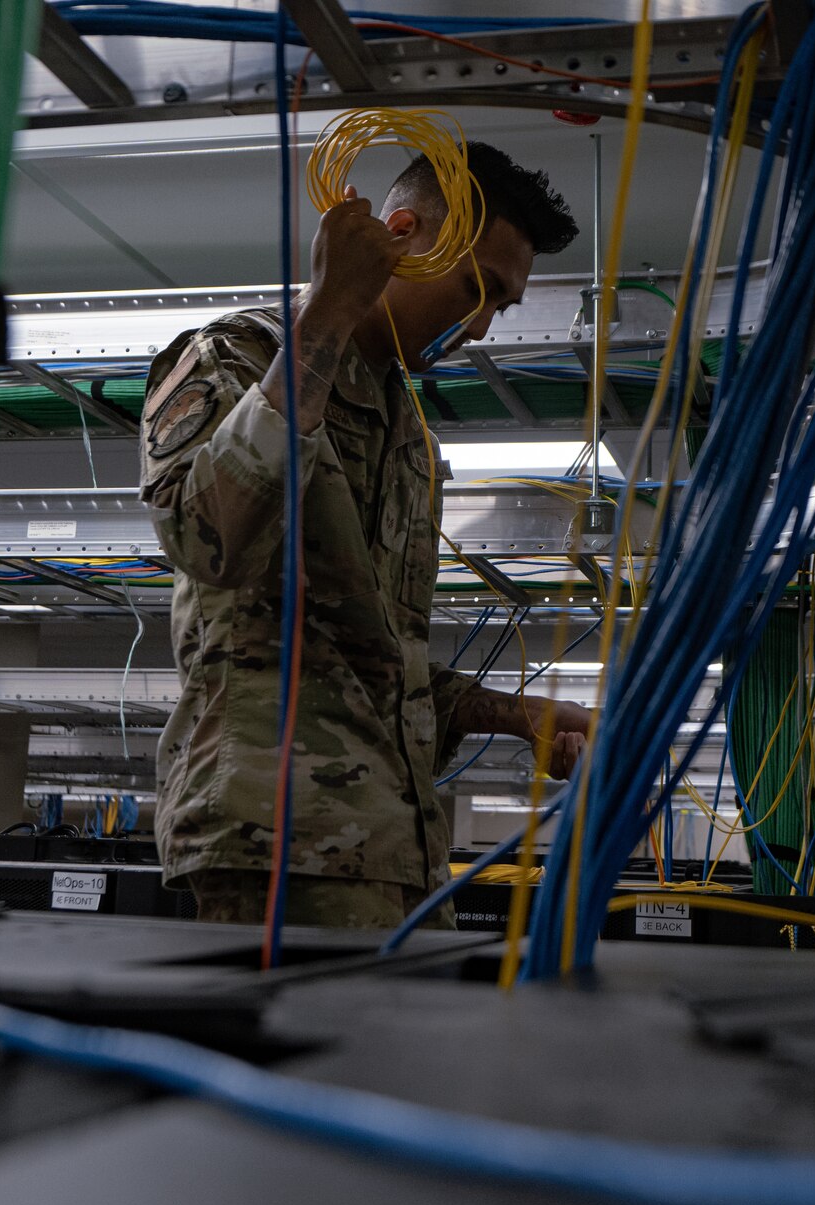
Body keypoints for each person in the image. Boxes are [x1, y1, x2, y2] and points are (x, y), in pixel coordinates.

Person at [139, 142, 592, 929]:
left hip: (395, 852)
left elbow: (380, 664)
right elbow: (203, 534)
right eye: (476, 289)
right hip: (276, 842)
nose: (481, 327)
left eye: (501, 307)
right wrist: (330, 311)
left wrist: (518, 717)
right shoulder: (238, 357)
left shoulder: (407, 432)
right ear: (404, 235)